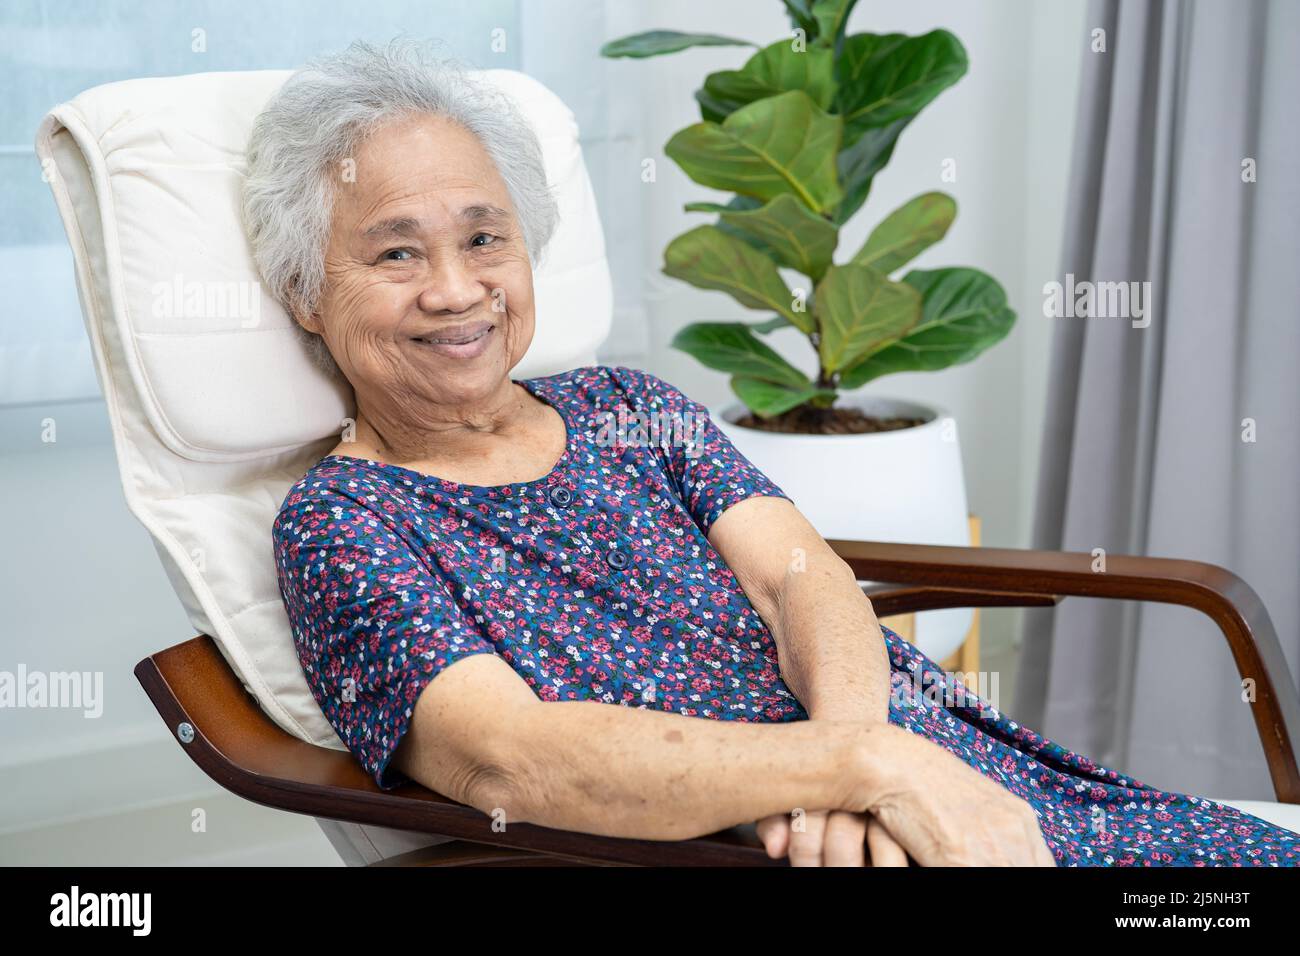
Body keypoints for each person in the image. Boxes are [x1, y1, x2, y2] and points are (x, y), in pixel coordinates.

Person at [248, 38, 1299, 866]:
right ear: (306, 292)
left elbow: (801, 575)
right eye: (396, 251)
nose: (455, 289)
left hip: (922, 771)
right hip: (758, 842)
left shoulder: (629, 406)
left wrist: (864, 760)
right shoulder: (343, 524)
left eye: (485, 237)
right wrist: (858, 769)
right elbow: (507, 760)